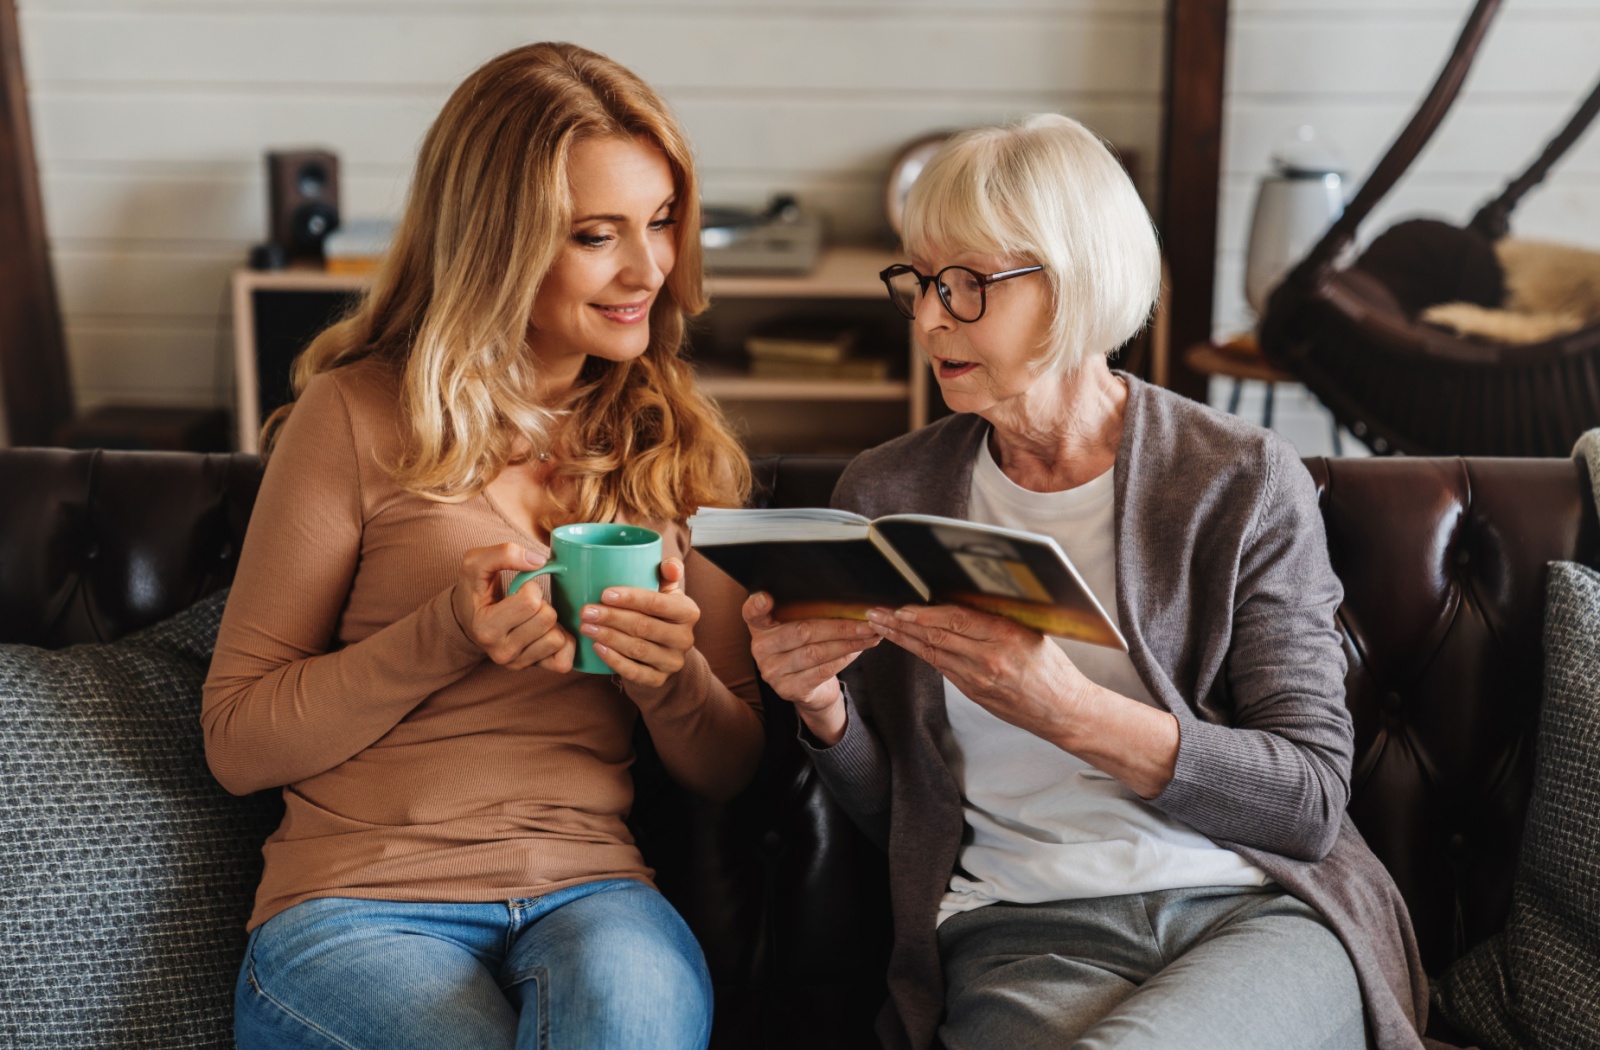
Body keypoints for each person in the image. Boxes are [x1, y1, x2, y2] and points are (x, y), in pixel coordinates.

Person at [744, 114, 1430, 1050]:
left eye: (968, 285)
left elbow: (1307, 802)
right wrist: (823, 708)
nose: (931, 317)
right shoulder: (891, 487)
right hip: (1021, 932)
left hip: (1256, 909)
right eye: (921, 282)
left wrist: (1066, 708)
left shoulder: (1240, 478)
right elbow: (899, 811)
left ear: (1072, 282)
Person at [203, 42, 763, 1050]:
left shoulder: (674, 446)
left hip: (591, 890)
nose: (650, 268)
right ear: (497, 242)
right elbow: (238, 740)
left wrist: (669, 680)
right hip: (356, 906)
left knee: (632, 1019)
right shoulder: (357, 415)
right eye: (599, 235)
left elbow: (729, 763)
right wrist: (445, 635)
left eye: (664, 221)